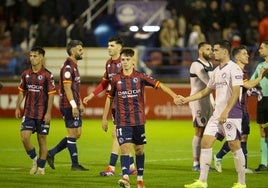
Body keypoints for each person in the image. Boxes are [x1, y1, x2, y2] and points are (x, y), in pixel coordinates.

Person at [102, 48, 178, 188]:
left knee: (139, 150)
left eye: (127, 60)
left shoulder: (141, 77)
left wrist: (174, 96)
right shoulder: (115, 79)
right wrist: (104, 118)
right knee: (125, 149)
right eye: (122, 60)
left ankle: (140, 179)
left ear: (133, 61)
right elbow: (109, 98)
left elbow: (159, 85)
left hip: (138, 121)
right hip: (122, 120)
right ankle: (125, 178)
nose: (124, 62)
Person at [177, 40, 246, 188]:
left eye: (215, 50)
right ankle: (202, 181)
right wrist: (186, 99)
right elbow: (205, 91)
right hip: (217, 115)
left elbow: (236, 92)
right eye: (212, 50)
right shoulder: (216, 71)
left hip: (231, 114)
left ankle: (241, 182)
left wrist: (226, 111)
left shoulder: (234, 69)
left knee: (235, 145)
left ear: (225, 52)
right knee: (206, 142)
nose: (213, 53)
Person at [83, 36, 137, 176]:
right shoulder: (109, 63)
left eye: (112, 45)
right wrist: (92, 95)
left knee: (117, 136)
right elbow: (104, 82)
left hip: (124, 105)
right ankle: (131, 167)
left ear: (119, 48)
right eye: (108, 45)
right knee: (119, 136)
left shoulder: (125, 63)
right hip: (115, 105)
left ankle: (111, 168)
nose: (109, 48)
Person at [214, 45, 267, 174]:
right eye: (244, 54)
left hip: (244, 109)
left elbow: (247, 88)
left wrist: (255, 91)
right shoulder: (236, 70)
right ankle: (218, 156)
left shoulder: (244, 71)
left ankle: (243, 167)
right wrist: (260, 77)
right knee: (235, 138)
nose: (247, 55)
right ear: (237, 57)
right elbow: (247, 84)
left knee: (243, 137)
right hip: (235, 109)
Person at [46, 40, 88, 171]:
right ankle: (75, 165)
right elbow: (67, 87)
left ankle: (51, 153)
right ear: (73, 51)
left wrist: (79, 102)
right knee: (72, 133)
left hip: (73, 102)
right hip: (67, 104)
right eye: (80, 49)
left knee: (77, 133)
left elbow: (75, 88)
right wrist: (74, 105)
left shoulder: (74, 66)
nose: (82, 52)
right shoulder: (68, 67)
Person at [15, 46, 56, 175]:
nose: (32, 58)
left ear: (41, 57)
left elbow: (51, 95)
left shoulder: (47, 75)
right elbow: (22, 92)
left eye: (35, 56)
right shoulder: (26, 74)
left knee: (42, 139)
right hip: (28, 112)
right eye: (31, 56)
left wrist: (49, 112)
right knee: (24, 137)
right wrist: (17, 106)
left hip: (42, 114)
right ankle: (34, 160)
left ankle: (41, 168)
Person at [189, 42, 214, 171]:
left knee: (207, 131)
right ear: (200, 51)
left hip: (207, 100)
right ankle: (195, 163)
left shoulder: (209, 64)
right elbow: (208, 82)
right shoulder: (196, 65)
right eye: (208, 49)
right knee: (199, 130)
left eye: (211, 49)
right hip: (197, 101)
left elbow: (209, 88)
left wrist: (213, 101)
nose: (211, 51)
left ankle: (205, 163)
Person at [250, 40, 268, 172]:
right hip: (263, 101)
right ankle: (264, 163)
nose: (259, 50)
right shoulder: (260, 65)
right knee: (263, 131)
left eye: (262, 48)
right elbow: (251, 82)